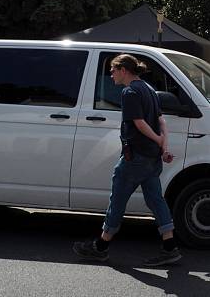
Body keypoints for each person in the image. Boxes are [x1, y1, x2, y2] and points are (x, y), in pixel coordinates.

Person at [73, 54, 181, 266]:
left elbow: (139, 123)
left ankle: (100, 247)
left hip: (136, 157)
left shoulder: (129, 92)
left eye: (113, 70)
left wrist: (158, 140)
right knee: (156, 200)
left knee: (118, 200)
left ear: (124, 70)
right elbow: (162, 122)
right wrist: (163, 146)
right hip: (151, 158)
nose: (111, 74)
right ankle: (170, 247)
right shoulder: (149, 89)